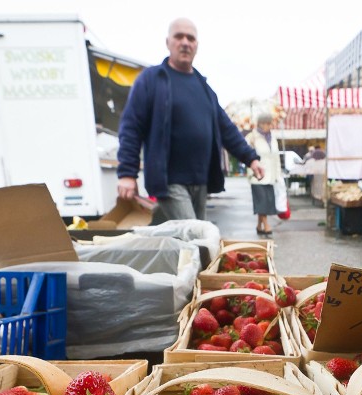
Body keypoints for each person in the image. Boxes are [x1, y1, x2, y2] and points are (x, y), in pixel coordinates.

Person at [116, 18, 264, 222]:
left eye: (191, 38)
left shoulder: (203, 87)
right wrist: (127, 173)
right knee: (198, 237)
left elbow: (226, 129)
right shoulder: (151, 80)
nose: (185, 42)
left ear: (196, 46)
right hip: (169, 182)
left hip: (200, 181)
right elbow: (131, 127)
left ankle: (153, 243)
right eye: (179, 36)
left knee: (179, 238)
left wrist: (251, 158)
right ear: (168, 42)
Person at [245, 113, 284, 237]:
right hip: (257, 175)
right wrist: (251, 173)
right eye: (266, 123)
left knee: (268, 200)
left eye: (270, 123)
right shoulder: (252, 137)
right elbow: (247, 157)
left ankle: (259, 225)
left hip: (271, 175)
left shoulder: (272, 138)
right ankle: (266, 225)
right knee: (262, 201)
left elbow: (276, 157)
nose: (269, 126)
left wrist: (278, 175)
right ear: (260, 123)